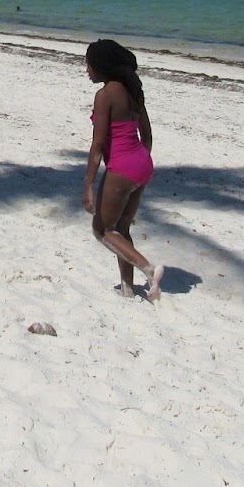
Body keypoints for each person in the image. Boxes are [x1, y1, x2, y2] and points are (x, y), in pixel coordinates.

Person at [82, 39, 164, 301]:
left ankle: (150, 270)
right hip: (142, 161)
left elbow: (98, 145)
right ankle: (127, 289)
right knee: (122, 228)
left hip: (123, 166)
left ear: (102, 67)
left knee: (102, 230)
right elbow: (147, 135)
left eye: (89, 65)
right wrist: (140, 162)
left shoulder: (105, 95)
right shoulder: (132, 90)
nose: (87, 70)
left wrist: (88, 185)